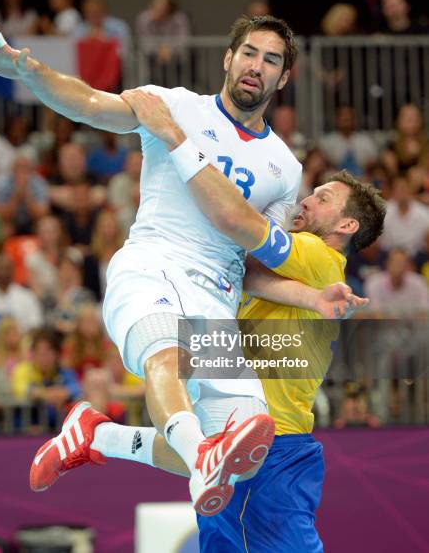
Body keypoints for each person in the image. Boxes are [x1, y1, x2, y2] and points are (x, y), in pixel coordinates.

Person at [0, 14, 355, 515]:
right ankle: (202, 461)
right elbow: (88, 104)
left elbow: (253, 257)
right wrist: (27, 71)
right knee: (165, 358)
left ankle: (97, 435)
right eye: (250, 53)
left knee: (250, 454)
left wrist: (312, 296)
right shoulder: (172, 105)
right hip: (155, 265)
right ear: (228, 58)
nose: (257, 65)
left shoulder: (284, 167)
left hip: (216, 298)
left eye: (272, 59)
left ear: (283, 78)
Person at [59, 90, 385, 552]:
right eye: (310, 192)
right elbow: (245, 273)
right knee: (202, 441)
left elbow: (238, 223)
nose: (305, 202)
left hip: (275, 438)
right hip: (251, 421)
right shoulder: (280, 275)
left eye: (323, 198)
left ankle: (100, 435)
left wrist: (176, 138)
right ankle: (100, 434)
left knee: (206, 448)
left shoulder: (321, 257)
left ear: (347, 227)